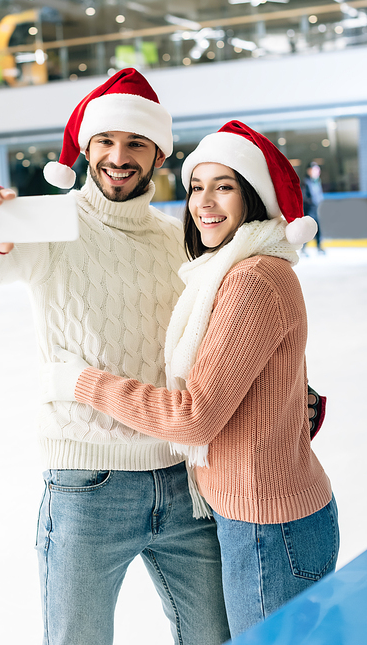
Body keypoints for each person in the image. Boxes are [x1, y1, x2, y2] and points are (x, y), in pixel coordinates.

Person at [0, 68, 231, 645]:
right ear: (86, 149)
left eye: (136, 143)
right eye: (106, 141)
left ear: (158, 156)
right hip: (87, 487)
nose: (119, 156)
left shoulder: (178, 238)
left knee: (214, 638)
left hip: (186, 482)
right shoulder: (50, 223)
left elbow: (212, 339)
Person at [44, 120, 339, 641]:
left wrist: (80, 382)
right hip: (257, 514)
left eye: (224, 186)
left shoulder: (250, 279)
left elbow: (194, 416)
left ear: (254, 197)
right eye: (196, 186)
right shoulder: (226, 270)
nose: (204, 201)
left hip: (268, 527)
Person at [302, 161, 325, 255]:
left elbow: (319, 195)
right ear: (309, 171)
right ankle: (303, 248)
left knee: (318, 229)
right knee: (309, 230)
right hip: (309, 210)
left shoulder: (316, 182)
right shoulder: (306, 182)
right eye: (315, 170)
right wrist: (311, 202)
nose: (317, 172)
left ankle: (319, 247)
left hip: (316, 209)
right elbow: (304, 197)